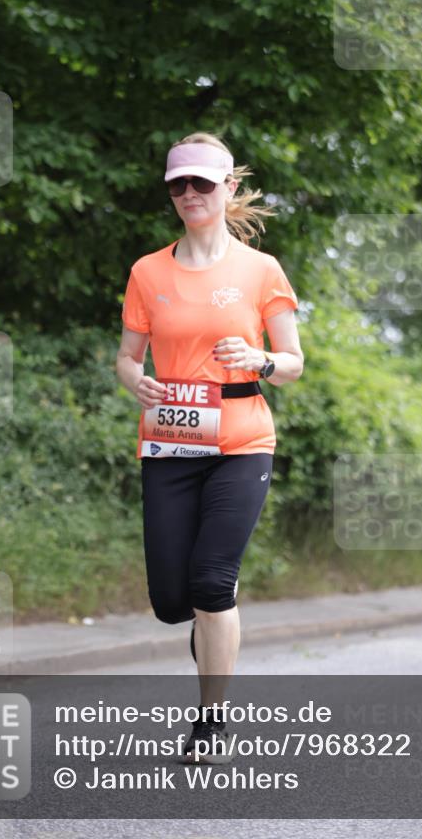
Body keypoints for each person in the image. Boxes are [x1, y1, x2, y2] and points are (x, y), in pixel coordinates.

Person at [116, 131, 304, 763]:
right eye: (178, 184)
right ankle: (205, 624)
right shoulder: (148, 271)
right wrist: (134, 381)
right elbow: (125, 357)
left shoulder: (261, 271)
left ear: (228, 187)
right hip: (169, 442)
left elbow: (295, 362)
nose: (189, 193)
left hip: (243, 438)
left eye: (202, 182)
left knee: (213, 581)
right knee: (174, 602)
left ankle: (211, 721)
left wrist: (260, 357)